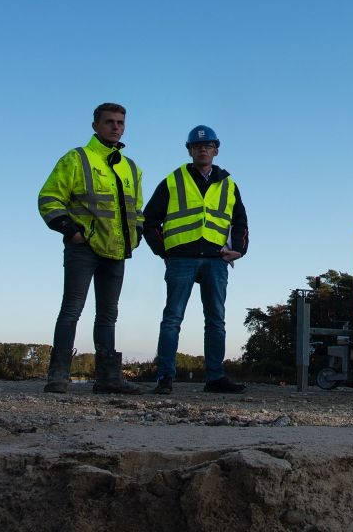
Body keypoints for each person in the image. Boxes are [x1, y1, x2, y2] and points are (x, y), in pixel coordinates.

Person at [38, 103, 143, 394]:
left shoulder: (131, 167)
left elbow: (138, 209)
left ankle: (108, 379)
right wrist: (70, 231)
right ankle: (57, 376)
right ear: (95, 125)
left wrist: (138, 235)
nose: (115, 127)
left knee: (108, 314)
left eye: (120, 122)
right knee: (72, 309)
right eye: (109, 121)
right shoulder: (76, 159)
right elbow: (49, 198)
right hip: (83, 249)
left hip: (117, 251)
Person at [143, 124, 248, 395]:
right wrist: (162, 250)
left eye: (208, 145)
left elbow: (240, 222)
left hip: (216, 259)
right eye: (198, 146)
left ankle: (215, 378)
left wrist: (239, 250)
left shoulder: (228, 184)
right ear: (190, 150)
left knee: (216, 320)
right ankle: (165, 378)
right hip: (181, 259)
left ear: (215, 150)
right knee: (172, 319)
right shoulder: (173, 180)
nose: (203, 149)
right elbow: (149, 219)